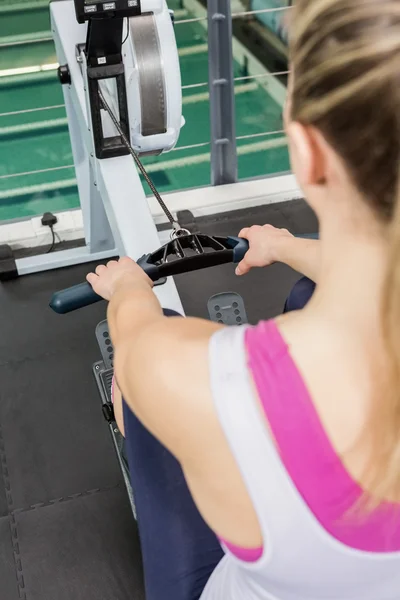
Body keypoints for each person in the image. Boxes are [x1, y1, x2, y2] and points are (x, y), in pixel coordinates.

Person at [87, 1, 400, 598]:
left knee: (143, 379)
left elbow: (139, 339)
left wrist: (128, 289)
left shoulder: (194, 372)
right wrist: (286, 246)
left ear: (307, 153)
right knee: (312, 286)